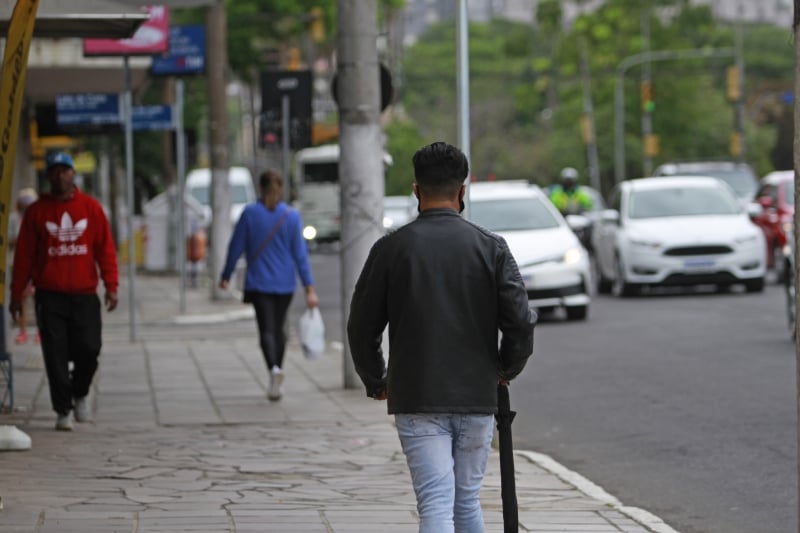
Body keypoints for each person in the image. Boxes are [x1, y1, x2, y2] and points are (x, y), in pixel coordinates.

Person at [347, 141, 536, 533]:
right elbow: (520, 321)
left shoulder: (390, 249)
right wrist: (505, 369)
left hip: (416, 396)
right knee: (467, 501)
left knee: (435, 501)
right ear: (461, 190)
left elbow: (361, 325)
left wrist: (376, 380)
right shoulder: (492, 248)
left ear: (417, 190)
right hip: (476, 396)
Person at [10, 152, 119, 431]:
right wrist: (16, 295)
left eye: (65, 170)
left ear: (73, 174)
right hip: (50, 295)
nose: (60, 176)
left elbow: (105, 250)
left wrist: (111, 285)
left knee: (90, 349)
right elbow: (23, 257)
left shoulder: (91, 209)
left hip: (84, 294)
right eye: (55, 171)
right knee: (55, 355)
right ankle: (63, 410)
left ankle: (80, 392)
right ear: (48, 176)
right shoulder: (36, 213)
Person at [219, 170, 318, 402]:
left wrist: (226, 274)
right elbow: (300, 255)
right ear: (281, 188)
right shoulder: (291, 216)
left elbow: (236, 246)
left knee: (266, 329)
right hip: (284, 284)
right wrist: (309, 286)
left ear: (260, 188)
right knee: (279, 328)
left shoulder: (250, 214)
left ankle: (273, 369)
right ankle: (278, 371)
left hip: (259, 283)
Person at [9, 187, 39, 344]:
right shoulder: (15, 218)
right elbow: (9, 239)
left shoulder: (37, 216)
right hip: (19, 263)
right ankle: (22, 331)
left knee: (38, 300)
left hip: (36, 264)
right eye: (24, 203)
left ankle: (40, 332)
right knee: (22, 299)